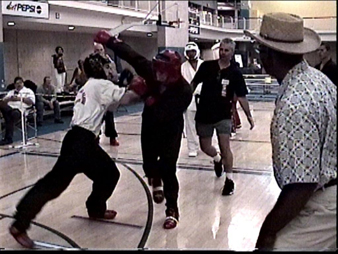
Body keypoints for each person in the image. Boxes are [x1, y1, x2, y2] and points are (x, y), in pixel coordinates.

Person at [8, 52, 146, 249]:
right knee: (55, 185)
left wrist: (128, 84)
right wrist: (142, 87)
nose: (112, 69)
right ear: (102, 69)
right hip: (82, 142)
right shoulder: (101, 85)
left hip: (80, 141)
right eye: (109, 66)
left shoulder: (89, 85)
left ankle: (95, 209)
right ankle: (19, 224)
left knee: (107, 174)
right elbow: (126, 100)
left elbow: (113, 106)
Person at [244, 12, 336, 251]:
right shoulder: (319, 80)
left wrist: (267, 234)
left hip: (324, 201)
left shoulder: (294, 103)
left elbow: (301, 185)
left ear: (267, 55)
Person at [94, 30, 192, 229]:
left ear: (173, 71)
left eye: (162, 71)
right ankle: (154, 177)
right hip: (149, 124)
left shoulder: (184, 90)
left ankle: (172, 209)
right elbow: (132, 55)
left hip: (170, 129)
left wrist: (144, 93)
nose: (157, 74)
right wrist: (111, 41)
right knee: (148, 164)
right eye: (156, 70)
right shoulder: (153, 70)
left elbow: (164, 113)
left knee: (168, 168)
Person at [191, 38, 254, 196]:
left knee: (226, 147)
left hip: (223, 116)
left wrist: (249, 116)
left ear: (232, 53)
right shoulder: (207, 66)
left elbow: (241, 96)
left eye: (226, 50)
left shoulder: (235, 73)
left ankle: (229, 180)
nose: (223, 52)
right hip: (204, 114)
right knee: (205, 147)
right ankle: (217, 159)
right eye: (221, 49)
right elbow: (192, 84)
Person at [94, 42, 120, 146]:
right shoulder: (92, 63)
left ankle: (112, 137)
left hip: (107, 91)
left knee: (109, 116)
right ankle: (95, 137)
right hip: (97, 93)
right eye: (97, 51)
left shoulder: (110, 62)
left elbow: (115, 76)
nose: (99, 52)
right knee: (96, 116)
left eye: (100, 50)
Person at [181, 42, 203, 157]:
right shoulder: (183, 67)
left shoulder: (204, 65)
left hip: (204, 98)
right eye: (189, 52)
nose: (191, 54)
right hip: (189, 98)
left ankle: (207, 144)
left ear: (197, 52)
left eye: (193, 51)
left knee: (205, 123)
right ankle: (192, 147)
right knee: (190, 124)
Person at [0, 77, 35, 146]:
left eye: (20, 83)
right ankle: (8, 138)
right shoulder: (11, 92)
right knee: (5, 109)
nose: (18, 85)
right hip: (9, 109)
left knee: (11, 116)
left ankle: (8, 138)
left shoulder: (28, 91)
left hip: (20, 110)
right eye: (16, 83)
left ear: (23, 83)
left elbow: (31, 102)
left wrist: (19, 99)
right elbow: (3, 101)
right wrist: (10, 99)